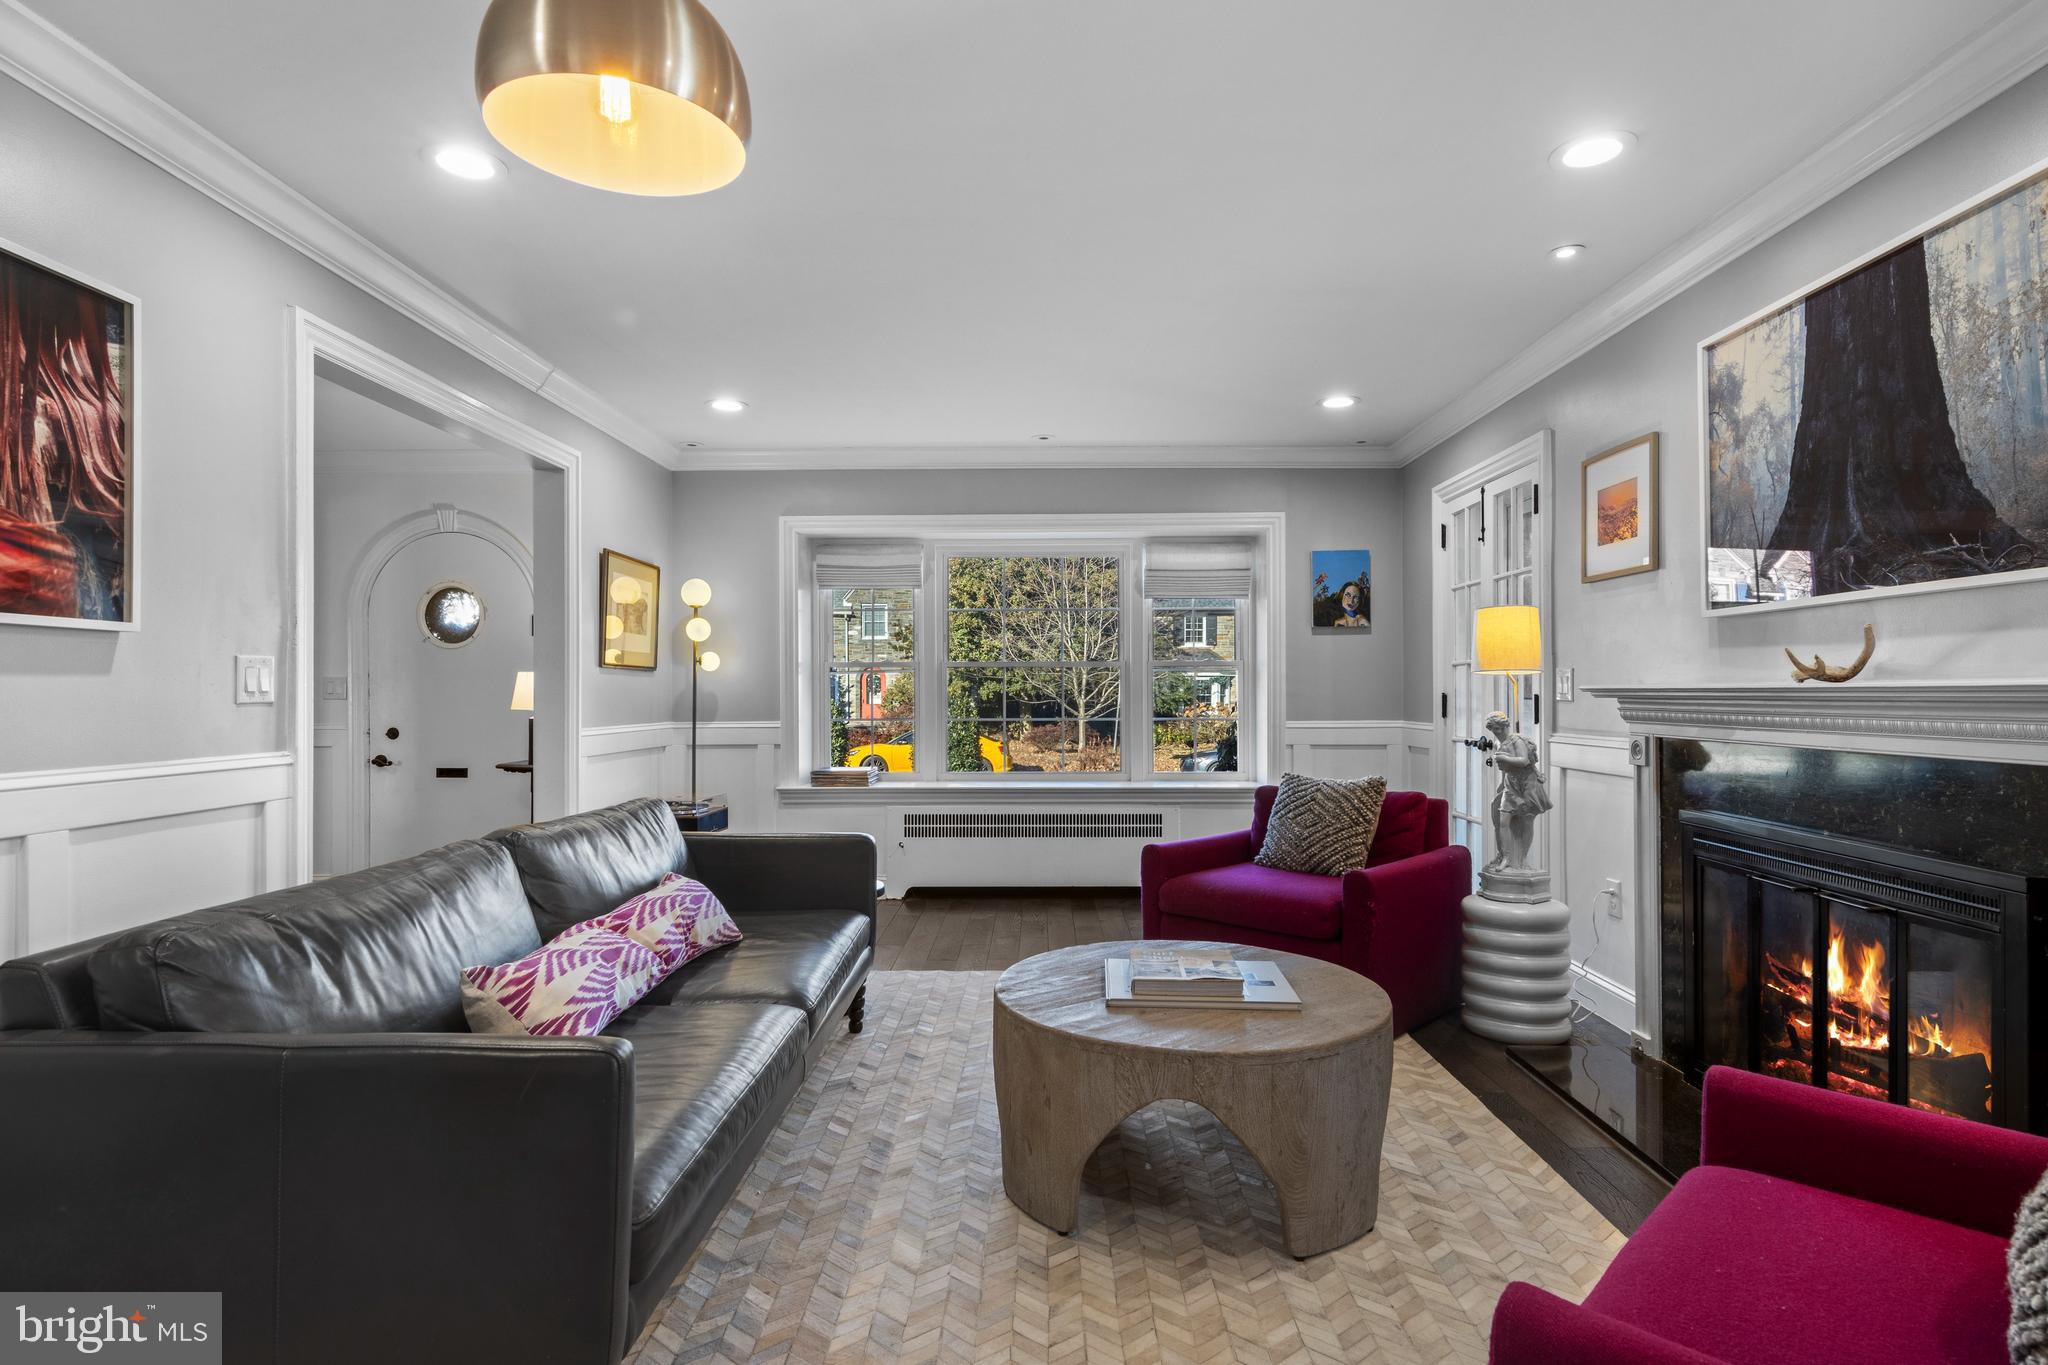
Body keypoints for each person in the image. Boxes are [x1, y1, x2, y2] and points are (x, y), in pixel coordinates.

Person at [1481, 710, 1551, 874]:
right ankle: (1506, 857)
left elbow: (1524, 760)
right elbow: (1506, 768)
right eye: (1493, 730)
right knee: (1503, 820)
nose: (1496, 732)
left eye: (1498, 728)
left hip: (1527, 784)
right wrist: (1501, 784)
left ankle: (1522, 858)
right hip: (1510, 784)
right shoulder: (1500, 743)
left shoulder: (1516, 741)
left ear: (1505, 726)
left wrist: (1503, 758)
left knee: (1527, 821)